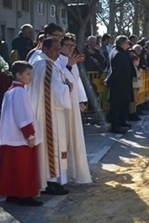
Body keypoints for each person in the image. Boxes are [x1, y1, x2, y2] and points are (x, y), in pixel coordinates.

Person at [26, 38, 72, 195]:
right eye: (55, 49)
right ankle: (50, 180)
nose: (58, 53)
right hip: (49, 113)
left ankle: (53, 178)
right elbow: (53, 90)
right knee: (52, 144)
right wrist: (67, 87)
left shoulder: (43, 63)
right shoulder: (45, 64)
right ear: (45, 48)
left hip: (47, 110)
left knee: (54, 146)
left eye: (60, 49)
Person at [0, 61, 43, 207]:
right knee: (24, 168)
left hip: (10, 137)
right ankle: (25, 195)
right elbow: (23, 116)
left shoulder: (10, 91)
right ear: (18, 75)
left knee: (11, 167)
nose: (31, 78)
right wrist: (30, 135)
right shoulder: (20, 92)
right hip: (20, 138)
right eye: (28, 74)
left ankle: (12, 193)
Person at [57, 34, 92, 185]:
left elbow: (77, 82)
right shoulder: (57, 60)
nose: (71, 48)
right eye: (67, 45)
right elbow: (61, 80)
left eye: (73, 46)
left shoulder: (73, 60)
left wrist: (81, 100)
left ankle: (77, 171)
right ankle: (65, 175)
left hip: (73, 103)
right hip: (63, 105)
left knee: (76, 136)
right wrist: (69, 65)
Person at [105, 36, 137, 134]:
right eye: (127, 42)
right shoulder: (118, 54)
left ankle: (122, 121)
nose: (128, 44)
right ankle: (115, 126)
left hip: (124, 83)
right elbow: (115, 70)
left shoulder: (119, 52)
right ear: (122, 43)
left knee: (124, 104)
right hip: (119, 85)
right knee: (116, 106)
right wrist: (109, 81)